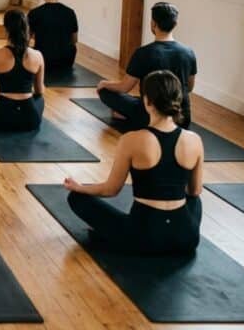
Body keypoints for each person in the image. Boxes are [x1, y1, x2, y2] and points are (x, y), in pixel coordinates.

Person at [65, 70, 203, 254]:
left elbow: (111, 190)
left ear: (147, 101)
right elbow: (194, 191)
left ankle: (115, 236)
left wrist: (80, 187)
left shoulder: (131, 140)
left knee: (76, 198)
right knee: (195, 201)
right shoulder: (195, 140)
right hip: (186, 238)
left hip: (143, 237)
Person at [97, 2, 197, 130]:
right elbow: (189, 87)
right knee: (148, 98)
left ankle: (129, 115)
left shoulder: (143, 53)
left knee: (105, 93)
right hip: (182, 118)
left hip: (150, 117)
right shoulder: (188, 52)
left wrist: (104, 84)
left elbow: (124, 88)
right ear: (175, 24)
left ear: (153, 24)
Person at [27, 0, 78, 71]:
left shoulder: (35, 13)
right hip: (66, 61)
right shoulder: (70, 13)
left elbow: (26, 39)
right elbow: (74, 40)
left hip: (43, 60)